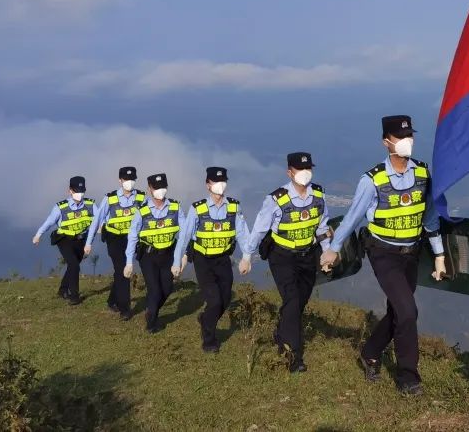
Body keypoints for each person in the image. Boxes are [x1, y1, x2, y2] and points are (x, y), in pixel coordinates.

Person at [321, 115, 448, 396]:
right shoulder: (372, 179)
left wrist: (439, 255)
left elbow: (430, 216)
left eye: (409, 135)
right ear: (386, 142)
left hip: (411, 253)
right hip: (383, 253)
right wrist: (333, 249)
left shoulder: (423, 173)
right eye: (400, 137)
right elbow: (353, 217)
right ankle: (408, 377)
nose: (407, 141)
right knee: (408, 311)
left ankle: (370, 352)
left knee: (398, 312)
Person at [242, 151, 332, 373]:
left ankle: (281, 333)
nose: (305, 173)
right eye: (300, 169)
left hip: (308, 255)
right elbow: (259, 228)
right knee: (291, 299)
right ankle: (293, 356)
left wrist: (326, 253)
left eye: (308, 168)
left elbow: (322, 226)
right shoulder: (276, 199)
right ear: (289, 172)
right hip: (282, 256)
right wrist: (247, 256)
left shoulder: (318, 195)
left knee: (300, 302)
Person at [175, 166, 250, 353]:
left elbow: (242, 233)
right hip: (203, 260)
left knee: (225, 299)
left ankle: (205, 318)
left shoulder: (233, 207)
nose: (220, 185)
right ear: (208, 185)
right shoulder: (198, 209)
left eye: (223, 181)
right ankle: (209, 339)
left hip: (223, 259)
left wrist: (246, 257)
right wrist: (178, 261)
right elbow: (185, 237)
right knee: (214, 301)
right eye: (215, 182)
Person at [122, 173, 181, 334]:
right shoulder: (142, 211)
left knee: (167, 288)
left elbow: (184, 232)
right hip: (148, 255)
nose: (160, 191)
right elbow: (133, 235)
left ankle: (151, 310)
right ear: (150, 189)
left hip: (168, 254)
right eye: (156, 188)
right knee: (154, 289)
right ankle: (152, 323)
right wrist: (129, 262)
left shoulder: (175, 207)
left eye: (163, 187)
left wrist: (181, 257)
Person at [85, 166, 144, 319]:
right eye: (126, 179)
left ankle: (112, 300)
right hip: (114, 238)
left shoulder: (141, 197)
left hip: (132, 239)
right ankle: (125, 309)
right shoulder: (110, 198)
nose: (129, 182)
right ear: (120, 180)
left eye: (132, 179)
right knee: (122, 268)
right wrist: (89, 242)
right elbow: (97, 220)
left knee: (120, 272)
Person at [33, 175, 95, 305]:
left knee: (73, 266)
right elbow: (49, 222)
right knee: (74, 265)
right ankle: (74, 296)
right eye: (76, 191)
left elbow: (99, 218)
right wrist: (38, 235)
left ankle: (62, 290)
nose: (79, 194)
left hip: (81, 239)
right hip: (64, 239)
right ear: (70, 191)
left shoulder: (90, 204)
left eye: (82, 191)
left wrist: (100, 228)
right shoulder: (60, 207)